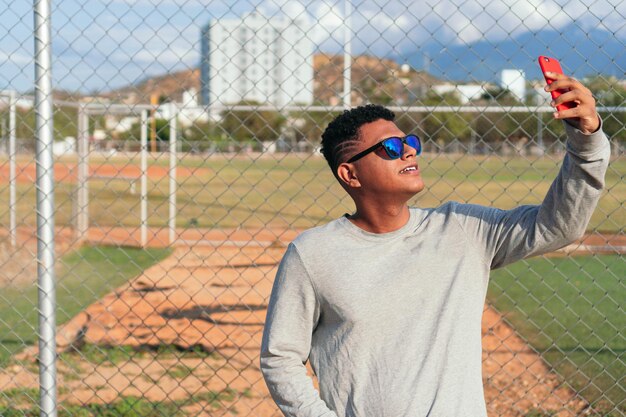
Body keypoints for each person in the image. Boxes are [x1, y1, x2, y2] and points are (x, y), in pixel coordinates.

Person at [260, 72, 610, 416]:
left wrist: (586, 139)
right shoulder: (313, 253)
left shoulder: (462, 229)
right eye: (391, 148)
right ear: (350, 174)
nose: (409, 152)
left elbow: (558, 225)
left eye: (410, 142)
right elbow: (281, 357)